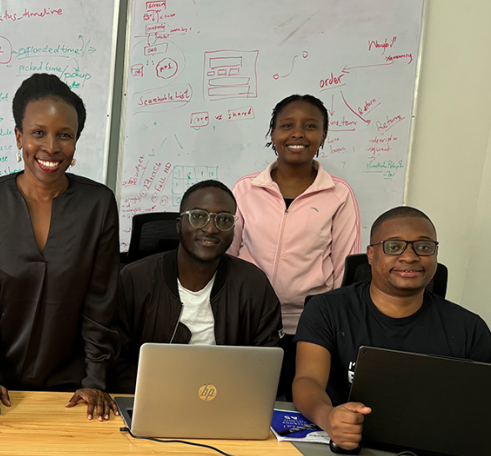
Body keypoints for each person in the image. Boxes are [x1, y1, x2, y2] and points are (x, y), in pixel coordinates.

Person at [0, 73, 121, 421]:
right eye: (38, 133)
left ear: (76, 142)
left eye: (64, 135)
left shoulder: (99, 204)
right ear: (19, 136)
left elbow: (101, 303)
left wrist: (95, 381)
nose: (51, 147)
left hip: (75, 391)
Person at [292, 206, 491, 451]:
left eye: (424, 246)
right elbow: (307, 380)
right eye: (394, 246)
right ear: (371, 254)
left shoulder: (469, 327)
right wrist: (328, 417)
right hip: (345, 444)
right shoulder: (327, 309)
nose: (410, 257)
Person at [227, 94, 361, 397]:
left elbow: (345, 268)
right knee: (244, 401)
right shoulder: (246, 190)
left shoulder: (338, 195)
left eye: (310, 126)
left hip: (309, 328)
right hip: (249, 323)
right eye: (287, 125)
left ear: (323, 135)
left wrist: (330, 323)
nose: (298, 133)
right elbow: (227, 257)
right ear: (272, 134)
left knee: (299, 408)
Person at [109, 180, 284, 393]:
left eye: (224, 219)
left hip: (225, 404)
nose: (210, 229)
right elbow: (114, 361)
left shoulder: (253, 285)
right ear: (178, 224)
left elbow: (264, 366)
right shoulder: (135, 279)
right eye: (198, 216)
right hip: (150, 400)